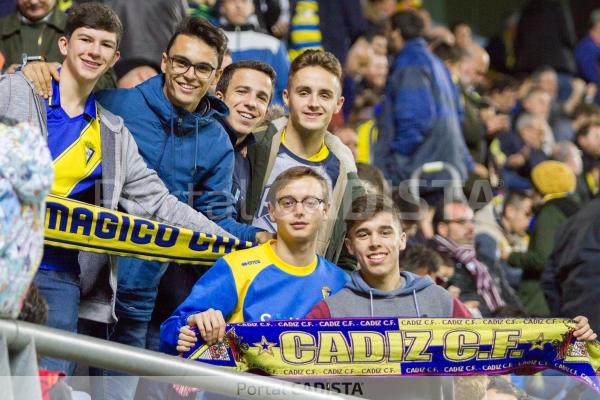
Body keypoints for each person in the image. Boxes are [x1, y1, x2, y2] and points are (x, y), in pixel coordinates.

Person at [0, 3, 234, 374]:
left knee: (48, 387)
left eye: (105, 45)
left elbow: (160, 205)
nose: (94, 51)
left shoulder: (113, 132)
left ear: (115, 58)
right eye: (85, 40)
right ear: (64, 45)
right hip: (3, 263)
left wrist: (233, 245)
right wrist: (30, 67)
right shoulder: (18, 90)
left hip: (61, 278)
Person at [161, 166, 349, 354]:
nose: (299, 210)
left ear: (326, 211)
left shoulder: (341, 282)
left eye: (310, 202)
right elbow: (170, 332)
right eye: (288, 202)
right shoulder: (236, 266)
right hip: (241, 382)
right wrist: (191, 324)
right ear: (272, 211)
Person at [243, 49, 363, 269]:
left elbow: (348, 257)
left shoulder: (346, 174)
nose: (313, 103)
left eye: (324, 95)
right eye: (304, 92)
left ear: (338, 103)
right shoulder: (252, 145)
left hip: (306, 296)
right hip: (242, 281)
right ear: (287, 97)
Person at [373, 10, 472, 201]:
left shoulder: (410, 63)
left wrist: (396, 164)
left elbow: (415, 119)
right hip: (445, 167)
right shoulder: (437, 63)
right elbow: (459, 115)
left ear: (395, 32)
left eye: (387, 31)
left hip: (423, 173)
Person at [507, 161, 579, 317]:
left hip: (540, 300)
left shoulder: (550, 213)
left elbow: (542, 259)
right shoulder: (573, 209)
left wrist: (510, 256)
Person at [0, 0, 115, 88]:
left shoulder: (81, 29)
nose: (34, 2)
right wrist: (6, 75)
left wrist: (64, 74)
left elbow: (107, 85)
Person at [214, 60, 277, 215]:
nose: (251, 103)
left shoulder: (247, 161)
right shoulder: (195, 142)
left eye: (261, 98)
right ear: (219, 98)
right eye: (242, 91)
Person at [219, 0, 289, 105]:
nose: (238, 5)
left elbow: (286, 88)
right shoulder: (211, 42)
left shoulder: (272, 45)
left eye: (244, 1)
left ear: (253, 7)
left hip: (267, 117)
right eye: (232, 1)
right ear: (222, 7)